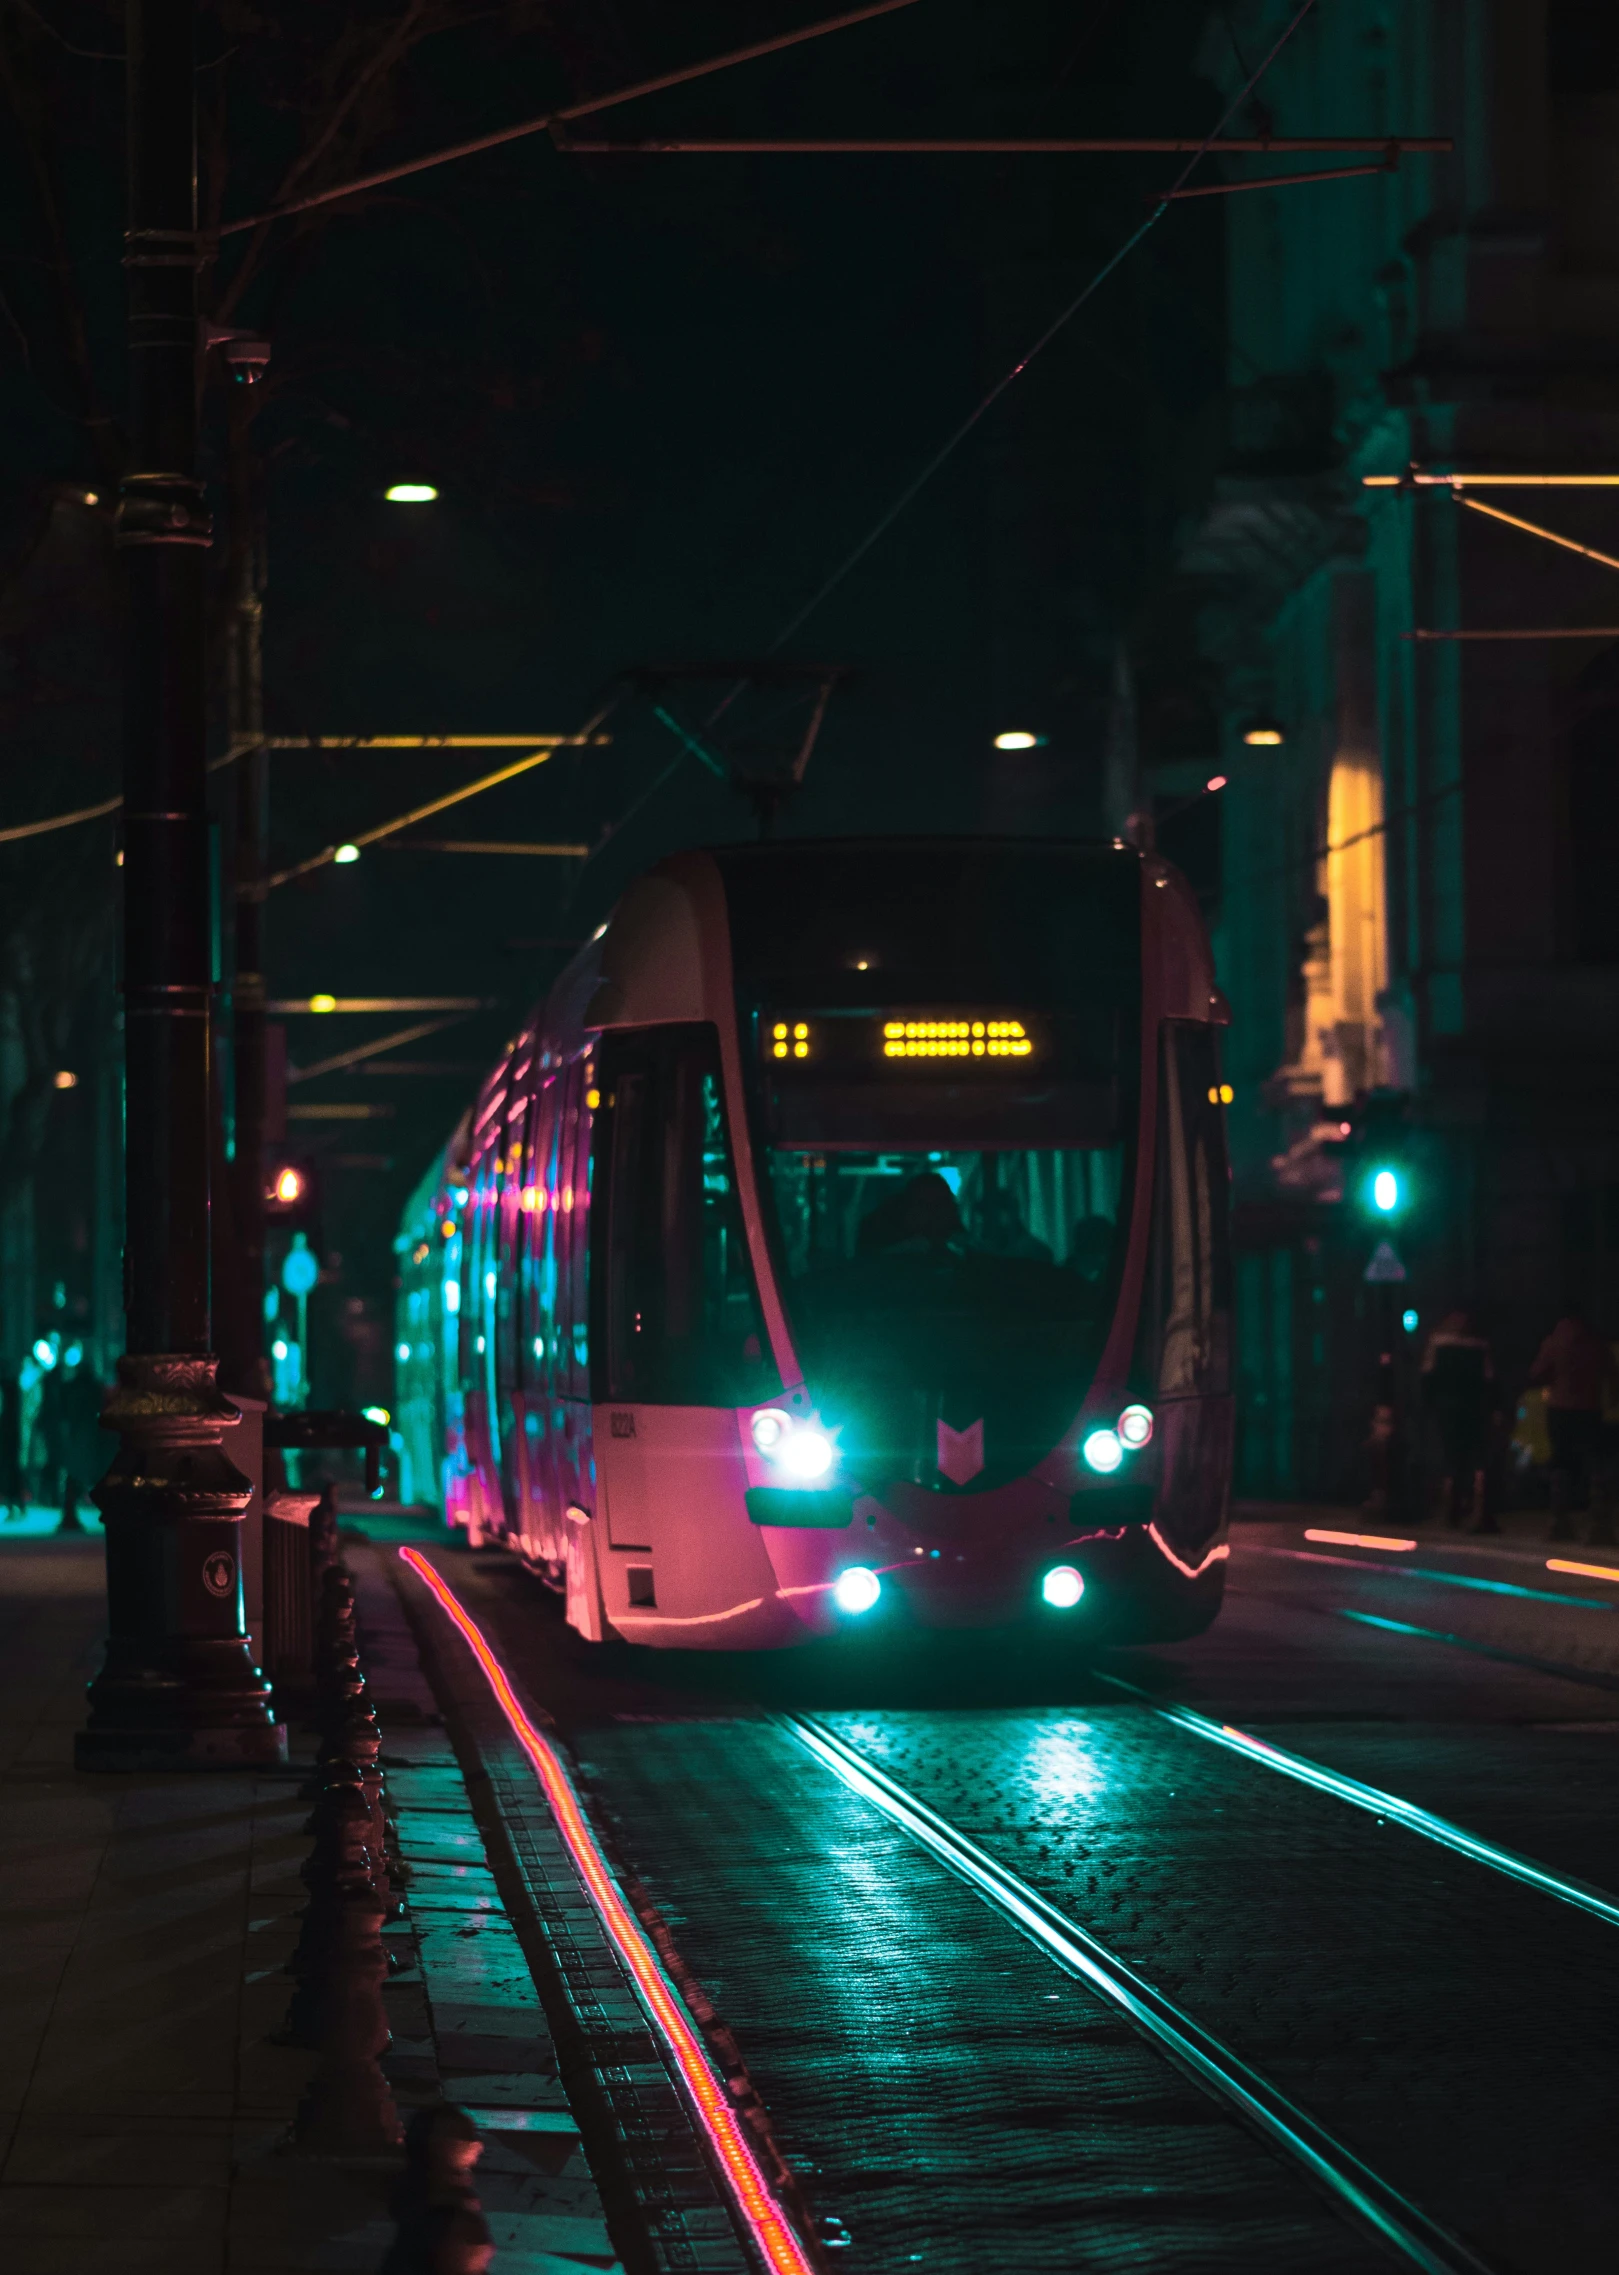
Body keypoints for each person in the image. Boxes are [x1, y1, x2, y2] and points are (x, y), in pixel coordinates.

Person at [1527, 1305, 1619, 1544]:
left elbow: (1537, 1372)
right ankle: (1599, 1525)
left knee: (1561, 1463)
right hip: (1591, 1407)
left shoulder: (1554, 1342)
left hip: (1560, 1407)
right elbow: (1612, 1377)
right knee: (1596, 1464)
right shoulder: (1596, 1344)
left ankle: (1560, 1522)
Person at [1420, 1309, 1497, 1531]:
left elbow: (1427, 1375)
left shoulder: (1438, 1343)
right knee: (1475, 1455)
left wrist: (1428, 1403)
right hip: (1474, 1406)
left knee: (1451, 1455)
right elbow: (1489, 1378)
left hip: (1446, 1406)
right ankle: (1478, 1508)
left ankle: (1450, 1507)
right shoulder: (1479, 1345)